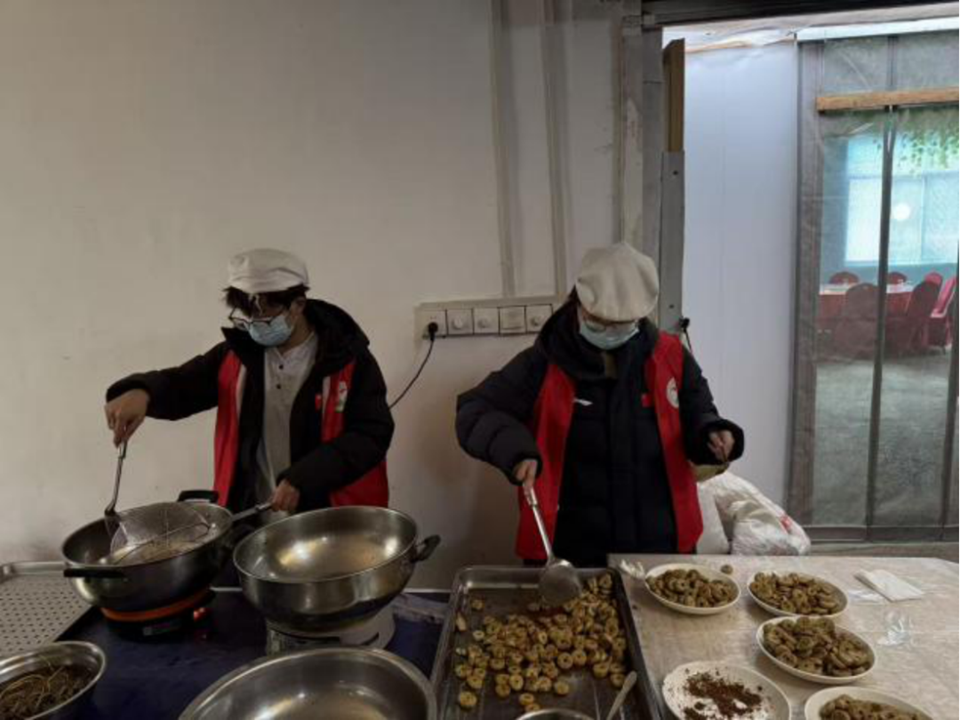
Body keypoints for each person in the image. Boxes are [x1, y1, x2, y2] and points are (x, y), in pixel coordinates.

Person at [455, 243, 743, 567]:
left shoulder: (671, 357)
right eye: (598, 321)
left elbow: (698, 412)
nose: (609, 331)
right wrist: (517, 450)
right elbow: (474, 410)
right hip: (571, 550)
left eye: (621, 324)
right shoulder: (544, 362)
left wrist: (712, 434)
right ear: (578, 303)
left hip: (661, 545)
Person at [104, 249, 393, 515]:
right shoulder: (237, 357)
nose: (254, 325)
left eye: (265, 316)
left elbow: (371, 434)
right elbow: (182, 385)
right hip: (256, 514)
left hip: (329, 519)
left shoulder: (346, 357)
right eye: (247, 315)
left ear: (297, 305)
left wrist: (304, 477)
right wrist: (142, 391)